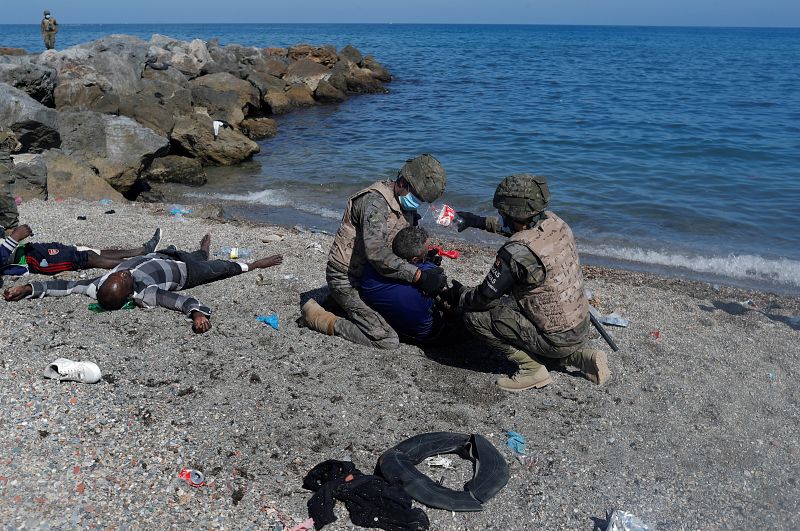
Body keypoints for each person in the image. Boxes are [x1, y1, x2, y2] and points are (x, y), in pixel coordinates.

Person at [449, 174, 610, 391]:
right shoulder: (555, 222)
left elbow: (482, 298)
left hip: (557, 338)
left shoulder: (517, 253)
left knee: (475, 316)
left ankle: (532, 369)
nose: (500, 215)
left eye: (502, 211)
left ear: (511, 211)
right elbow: (515, 228)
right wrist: (476, 221)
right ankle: (580, 357)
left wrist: (459, 295)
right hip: (580, 326)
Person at [300, 154, 448, 349]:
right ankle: (321, 318)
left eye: (421, 201)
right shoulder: (375, 204)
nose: (417, 203)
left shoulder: (403, 203)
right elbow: (376, 252)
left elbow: (400, 245)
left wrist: (424, 258)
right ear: (402, 183)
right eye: (417, 198)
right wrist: (418, 275)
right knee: (386, 339)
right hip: (348, 279)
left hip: (373, 275)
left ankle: (342, 304)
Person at [3, 234, 283, 333]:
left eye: (117, 275)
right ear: (128, 294)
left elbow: (63, 287)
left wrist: (28, 289)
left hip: (162, 256)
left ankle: (203, 249)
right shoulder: (146, 293)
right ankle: (255, 264)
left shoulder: (96, 285)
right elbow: (179, 302)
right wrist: (198, 313)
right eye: (123, 279)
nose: (122, 274)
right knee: (220, 268)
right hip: (187, 271)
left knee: (198, 253)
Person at [359, 226, 446, 343]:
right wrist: (429, 266)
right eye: (426, 251)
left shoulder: (369, 272)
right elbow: (438, 281)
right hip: (424, 334)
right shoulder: (423, 284)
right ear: (414, 260)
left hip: (391, 323)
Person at [1, 224, 163, 276]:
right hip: (30, 262)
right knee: (83, 257)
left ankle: (142, 251)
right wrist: (14, 237)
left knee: (83, 250)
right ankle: (143, 264)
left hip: (27, 249)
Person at [0, 128, 21, 231]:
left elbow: (16, 146)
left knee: (4, 196)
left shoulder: (5, 132)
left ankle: (11, 228)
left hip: (2, 166)